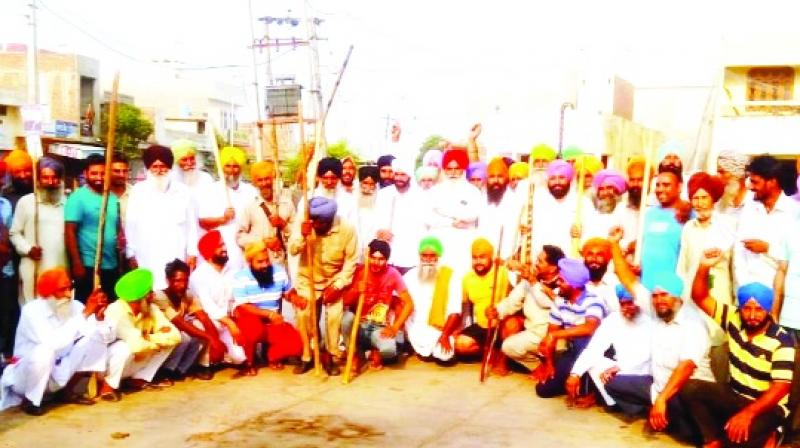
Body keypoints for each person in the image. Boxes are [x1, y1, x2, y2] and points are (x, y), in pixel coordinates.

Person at [608, 227, 713, 444]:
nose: (658, 300)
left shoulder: (693, 324)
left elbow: (686, 368)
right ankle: (656, 411)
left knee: (687, 433)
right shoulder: (658, 309)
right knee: (613, 384)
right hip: (658, 387)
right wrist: (613, 244)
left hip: (685, 393)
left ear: (677, 297)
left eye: (664, 295)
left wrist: (663, 400)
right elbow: (627, 279)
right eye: (655, 296)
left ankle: (668, 415)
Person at [686, 252, 795, 448]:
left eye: (759, 309)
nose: (752, 315)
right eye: (747, 308)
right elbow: (699, 296)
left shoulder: (782, 340)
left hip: (768, 407)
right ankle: (714, 441)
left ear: (768, 310)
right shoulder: (733, 317)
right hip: (736, 396)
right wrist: (703, 266)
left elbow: (781, 388)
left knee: (738, 439)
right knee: (691, 389)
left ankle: (772, 434)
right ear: (740, 307)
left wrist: (748, 414)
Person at [0, 268, 113, 415]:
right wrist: (85, 314)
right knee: (44, 351)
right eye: (62, 290)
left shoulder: (76, 306)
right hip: (25, 378)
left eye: (69, 287)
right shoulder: (32, 311)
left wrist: (99, 318)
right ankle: (31, 400)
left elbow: (106, 338)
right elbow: (53, 343)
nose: (68, 294)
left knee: (94, 338)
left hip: (59, 371)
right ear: (48, 294)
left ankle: (66, 392)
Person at [288, 197, 358, 375]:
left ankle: (331, 356)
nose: (316, 226)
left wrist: (338, 285)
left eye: (320, 223)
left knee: (334, 318)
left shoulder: (347, 229)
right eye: (314, 221)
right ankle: (307, 355)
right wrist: (303, 237)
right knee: (303, 314)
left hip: (334, 280)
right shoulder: (305, 225)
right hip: (307, 278)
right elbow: (293, 250)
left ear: (329, 219)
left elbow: (351, 262)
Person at [568, 284, 653, 410]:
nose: (626, 308)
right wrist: (575, 374)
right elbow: (594, 348)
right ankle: (614, 403)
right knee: (594, 362)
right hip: (619, 369)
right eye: (623, 304)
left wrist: (619, 367)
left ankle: (635, 405)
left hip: (644, 372)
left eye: (630, 303)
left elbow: (648, 354)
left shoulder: (650, 321)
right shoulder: (613, 319)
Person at [125, 145, 198, 290]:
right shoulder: (139, 191)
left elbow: (192, 225)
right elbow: (130, 225)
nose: (159, 171)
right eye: (155, 166)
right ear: (148, 168)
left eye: (163, 166)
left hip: (176, 250)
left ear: (170, 167)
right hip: (146, 252)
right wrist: (130, 253)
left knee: (175, 288)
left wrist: (192, 252)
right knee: (149, 288)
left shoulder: (183, 191)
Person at [101, 269, 181, 400]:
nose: (153, 296)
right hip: (107, 366)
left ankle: (139, 379)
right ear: (139, 299)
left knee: (170, 343)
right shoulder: (116, 311)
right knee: (123, 347)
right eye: (149, 293)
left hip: (135, 360)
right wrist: (156, 340)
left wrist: (148, 338)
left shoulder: (150, 308)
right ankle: (108, 385)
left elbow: (175, 335)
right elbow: (136, 346)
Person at [533, 258, 606, 399]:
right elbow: (551, 333)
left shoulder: (593, 300)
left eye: (561, 280)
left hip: (594, 353)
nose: (557, 283)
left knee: (583, 342)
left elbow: (590, 328)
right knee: (543, 389)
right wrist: (549, 365)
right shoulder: (560, 302)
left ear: (574, 285)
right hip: (573, 351)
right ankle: (577, 382)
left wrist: (556, 335)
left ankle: (589, 388)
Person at [231, 241, 303, 375]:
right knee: (253, 328)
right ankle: (249, 362)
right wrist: (268, 314)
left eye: (267, 261)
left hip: (272, 320)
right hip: (250, 319)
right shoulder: (240, 277)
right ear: (250, 262)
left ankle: (272, 357)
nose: (265, 265)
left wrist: (295, 298)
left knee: (296, 343)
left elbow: (288, 292)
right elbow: (243, 306)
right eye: (260, 262)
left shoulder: (279, 272)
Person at [341, 239, 414, 371]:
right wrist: (357, 289)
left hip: (378, 328)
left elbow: (409, 304)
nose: (376, 262)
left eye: (381, 259)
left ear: (387, 260)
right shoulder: (359, 271)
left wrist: (395, 327)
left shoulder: (393, 274)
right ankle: (354, 355)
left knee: (390, 350)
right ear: (368, 257)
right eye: (373, 258)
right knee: (346, 320)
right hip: (359, 326)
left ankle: (373, 351)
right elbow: (345, 301)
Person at [489, 245, 564, 371]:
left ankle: (550, 365)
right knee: (508, 346)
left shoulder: (563, 284)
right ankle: (538, 366)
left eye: (540, 261)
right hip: (533, 334)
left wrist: (533, 281)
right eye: (537, 260)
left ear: (552, 268)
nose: (536, 264)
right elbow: (512, 302)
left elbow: (546, 302)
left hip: (555, 338)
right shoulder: (531, 280)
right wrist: (497, 311)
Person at [152, 259, 226, 381]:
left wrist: (216, 342)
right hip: (162, 338)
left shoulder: (187, 295)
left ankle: (196, 367)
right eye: (177, 281)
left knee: (201, 327)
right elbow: (179, 323)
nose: (182, 285)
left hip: (177, 336)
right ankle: (166, 371)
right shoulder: (159, 297)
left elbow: (203, 317)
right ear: (168, 280)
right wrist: (211, 338)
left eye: (185, 280)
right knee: (185, 337)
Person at [734, 155, 799, 289]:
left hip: (780, 296)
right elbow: (738, 253)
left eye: (755, 182)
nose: (751, 187)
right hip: (748, 294)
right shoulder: (748, 208)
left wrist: (769, 249)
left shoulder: (793, 213)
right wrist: (743, 289)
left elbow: (796, 259)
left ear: (772, 182)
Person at [10, 157, 68, 304]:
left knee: (59, 306)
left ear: (60, 179)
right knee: (33, 308)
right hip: (33, 266)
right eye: (45, 177)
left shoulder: (67, 203)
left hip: (60, 266)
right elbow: (14, 233)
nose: (50, 182)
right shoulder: (27, 202)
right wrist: (28, 249)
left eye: (54, 177)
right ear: (38, 179)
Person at [64, 154, 122, 302]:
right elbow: (70, 231)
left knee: (110, 306)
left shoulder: (112, 197)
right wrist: (77, 263)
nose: (99, 177)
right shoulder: (78, 198)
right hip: (88, 264)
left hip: (111, 263)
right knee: (89, 305)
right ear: (85, 174)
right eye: (94, 173)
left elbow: (116, 228)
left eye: (103, 173)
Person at [188, 230, 247, 368]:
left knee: (239, 358)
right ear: (209, 252)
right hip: (207, 320)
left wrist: (235, 315)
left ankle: (221, 355)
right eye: (220, 246)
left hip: (226, 323)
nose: (225, 249)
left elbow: (235, 298)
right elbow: (209, 308)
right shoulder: (199, 276)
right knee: (200, 325)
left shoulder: (231, 271)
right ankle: (204, 364)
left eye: (224, 244)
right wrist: (231, 324)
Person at [454, 238, 511, 373]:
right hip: (482, 325)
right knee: (460, 345)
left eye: (482, 257)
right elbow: (464, 306)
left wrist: (505, 262)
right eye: (474, 258)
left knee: (511, 325)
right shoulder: (467, 278)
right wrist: (457, 328)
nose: (478, 261)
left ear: (491, 257)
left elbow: (520, 268)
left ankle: (503, 358)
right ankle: (489, 351)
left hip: (502, 324)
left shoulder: (502, 271)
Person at [402, 236, 462, 362]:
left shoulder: (450, 276)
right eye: (425, 255)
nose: (428, 260)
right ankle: (412, 346)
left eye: (432, 256)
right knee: (424, 350)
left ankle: (436, 345)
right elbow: (398, 301)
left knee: (445, 356)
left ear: (439, 256)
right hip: (415, 328)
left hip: (441, 328)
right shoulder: (409, 276)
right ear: (419, 256)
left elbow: (455, 311)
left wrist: (445, 335)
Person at [198, 146, 258, 272]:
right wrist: (223, 219)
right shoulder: (210, 190)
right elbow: (203, 222)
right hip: (223, 248)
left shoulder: (251, 191)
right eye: (227, 166)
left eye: (235, 166)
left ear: (241, 168)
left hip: (247, 245)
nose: (231, 170)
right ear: (221, 168)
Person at [426, 147, 482, 273]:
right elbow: (429, 218)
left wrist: (441, 211)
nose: (453, 173)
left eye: (456, 168)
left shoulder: (473, 192)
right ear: (444, 169)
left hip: (463, 246)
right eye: (449, 169)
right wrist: (451, 222)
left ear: (463, 169)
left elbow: (472, 215)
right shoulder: (435, 191)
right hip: (440, 242)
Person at [236, 160, 295, 267]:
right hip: (259, 264)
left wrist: (283, 225)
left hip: (283, 262)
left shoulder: (286, 203)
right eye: (260, 180)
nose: (264, 183)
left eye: (267, 179)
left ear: (273, 179)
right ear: (254, 183)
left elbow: (297, 233)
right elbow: (240, 237)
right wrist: (263, 242)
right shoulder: (250, 206)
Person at [639, 170, 689, 289]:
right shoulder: (648, 214)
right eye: (658, 185)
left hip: (673, 287)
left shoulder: (688, 213)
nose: (660, 189)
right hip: (647, 284)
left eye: (666, 185)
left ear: (679, 187)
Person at [375, 158, 425, 274]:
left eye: (402, 174)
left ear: (410, 175)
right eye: (396, 174)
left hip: (412, 256)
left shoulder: (420, 196)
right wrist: (380, 230)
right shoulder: (384, 194)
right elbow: (376, 219)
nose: (398, 178)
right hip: (388, 253)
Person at [477, 157, 523, 260]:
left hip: (506, 259)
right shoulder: (481, 199)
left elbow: (515, 235)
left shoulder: (515, 201)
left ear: (506, 178)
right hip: (483, 258)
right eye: (492, 177)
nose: (496, 181)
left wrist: (506, 257)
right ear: (487, 179)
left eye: (500, 176)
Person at [353, 166, 380, 261]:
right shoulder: (351, 200)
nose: (368, 187)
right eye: (365, 183)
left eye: (372, 184)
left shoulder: (381, 201)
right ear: (360, 183)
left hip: (374, 248)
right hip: (353, 245)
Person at [715, 150, 751, 221]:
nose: (718, 176)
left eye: (722, 172)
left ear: (738, 173)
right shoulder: (719, 201)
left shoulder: (754, 200)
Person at [109, 153, 132, 226]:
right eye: (117, 171)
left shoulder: (136, 194)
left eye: (125, 171)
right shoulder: (99, 194)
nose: (121, 175)